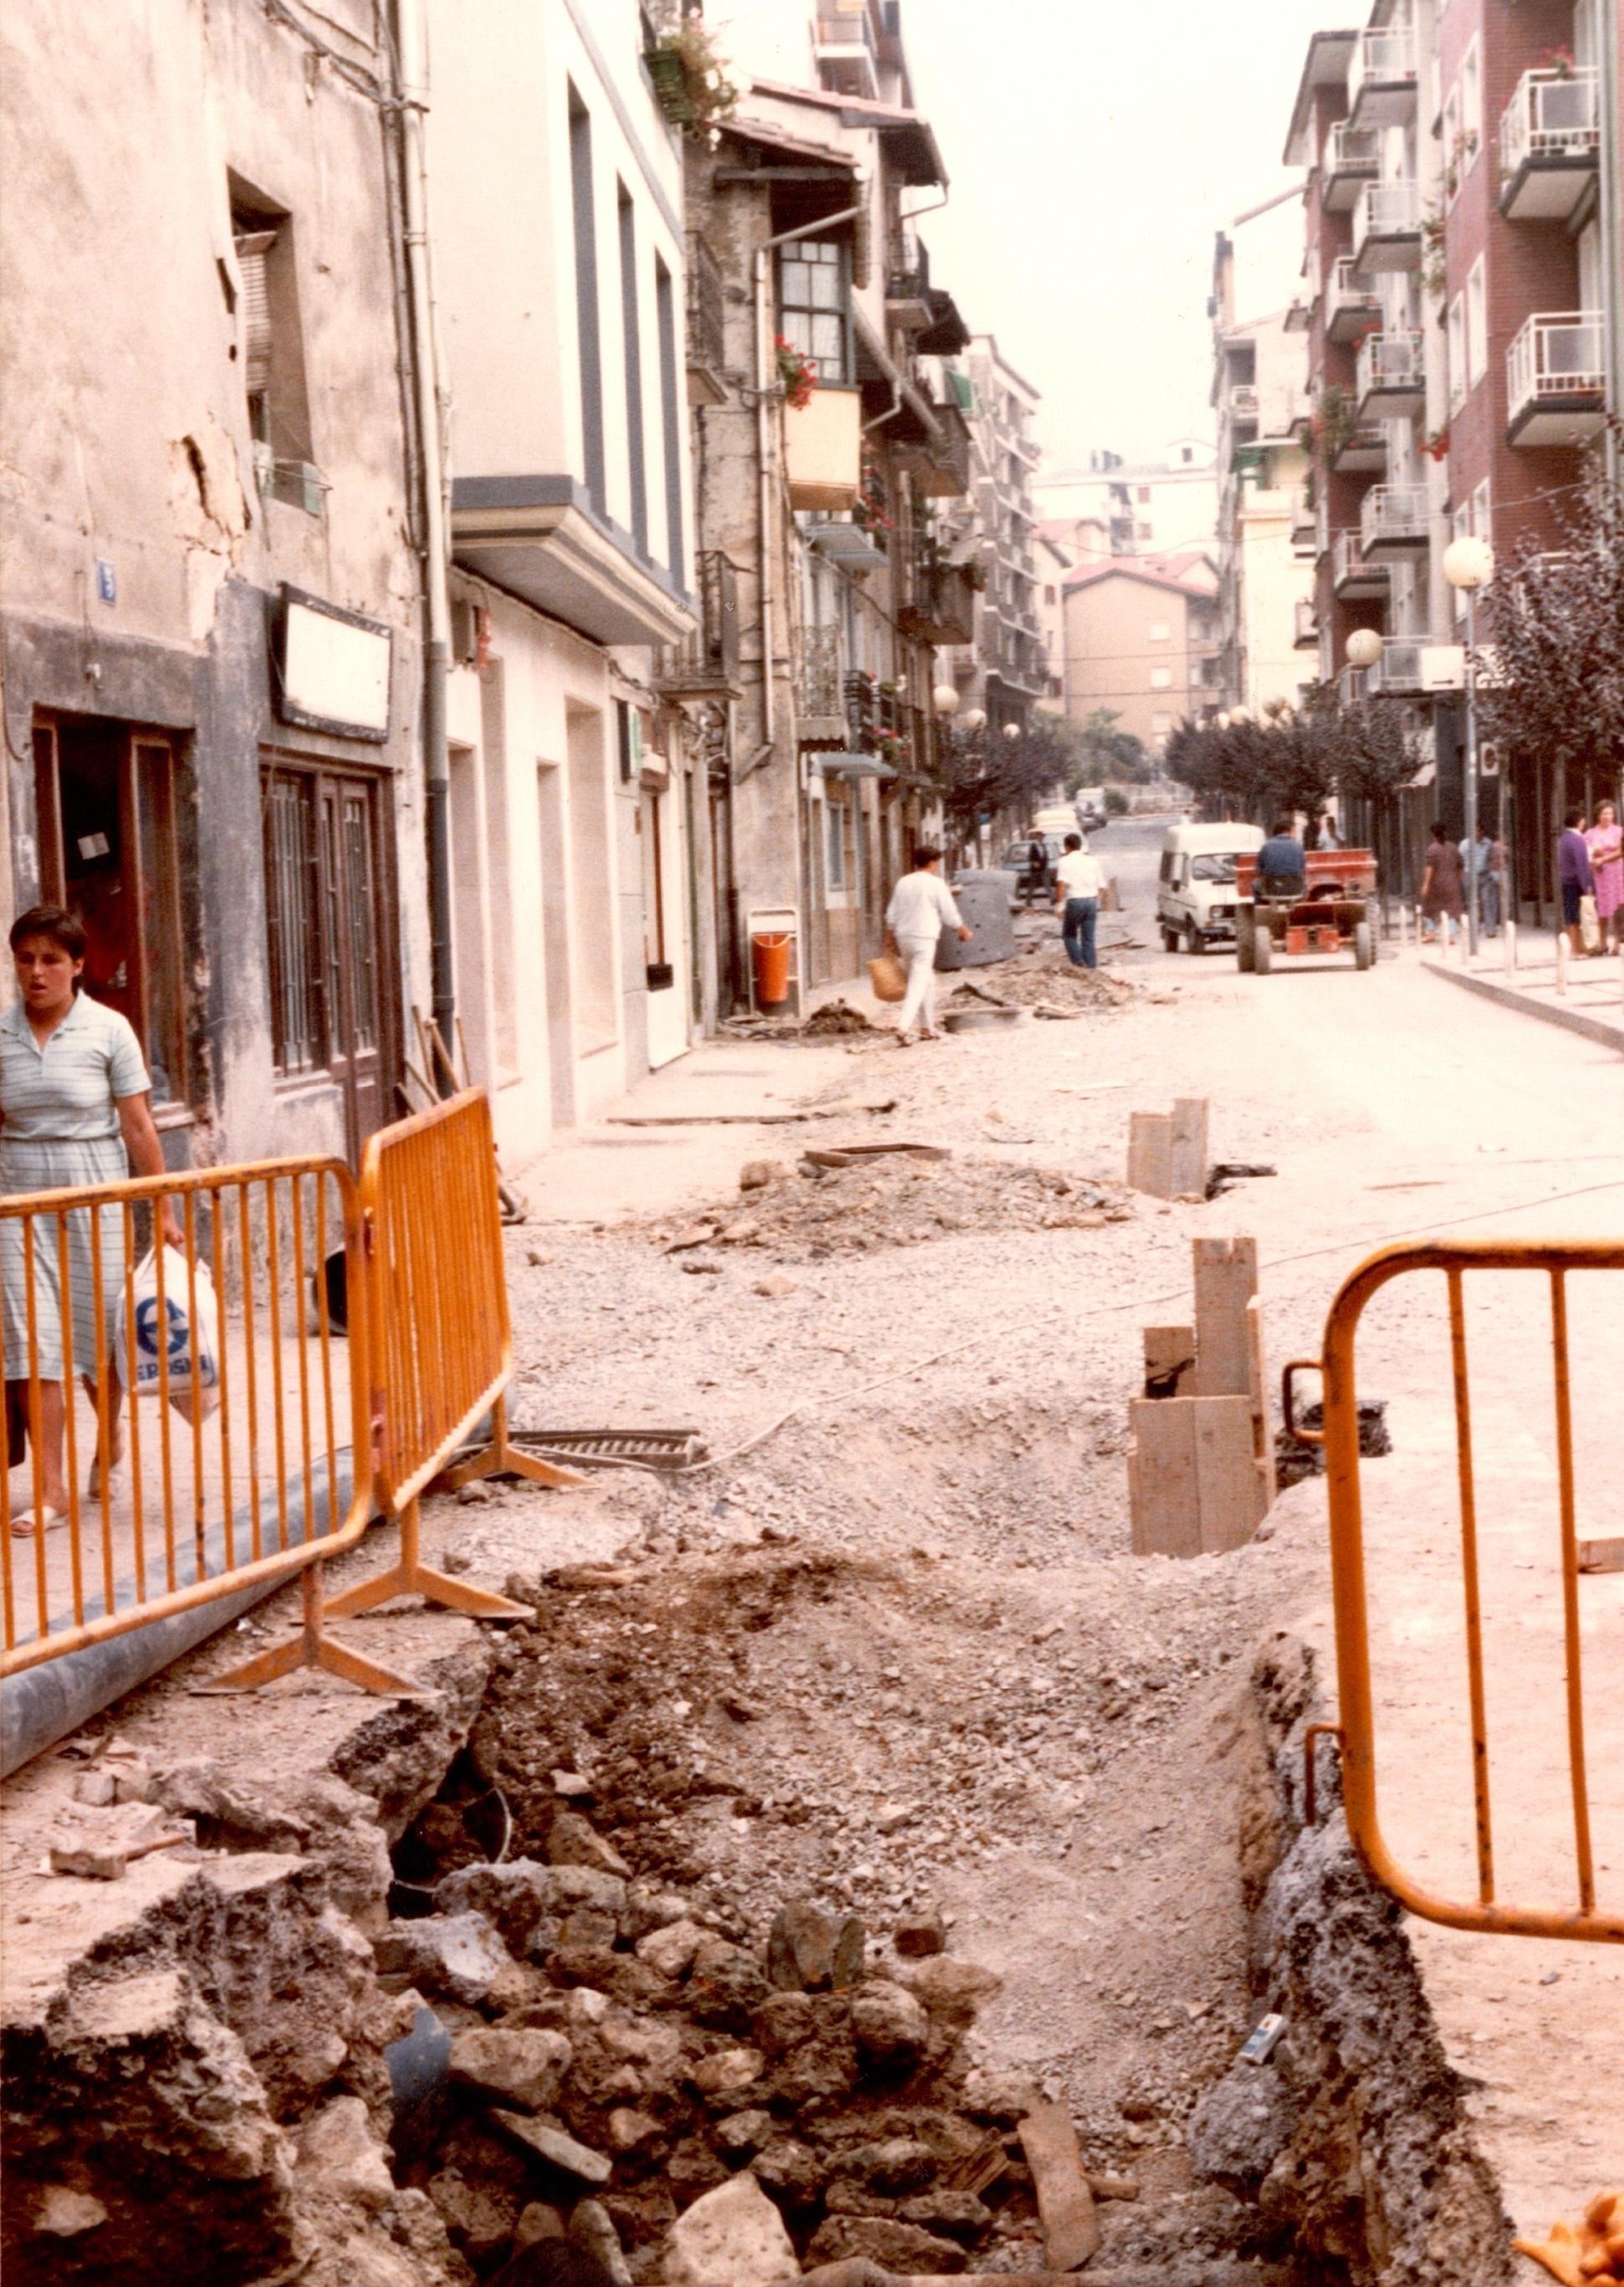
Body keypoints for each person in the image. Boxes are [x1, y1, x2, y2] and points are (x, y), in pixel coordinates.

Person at [1, 907, 181, 1537]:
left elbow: (136, 1123)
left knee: (99, 1338)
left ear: (78, 966)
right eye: (25, 959)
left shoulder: (110, 1030)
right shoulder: (0, 1034)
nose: (37, 973)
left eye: (51, 960)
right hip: (19, 1203)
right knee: (33, 1343)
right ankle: (51, 1490)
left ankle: (111, 1433)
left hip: (94, 1193)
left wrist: (162, 1205)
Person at [883, 847, 972, 1046]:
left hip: (903, 937)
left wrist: (889, 938)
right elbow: (949, 913)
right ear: (932, 863)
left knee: (927, 980)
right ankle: (903, 1026)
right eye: (937, 863)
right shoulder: (936, 884)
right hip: (924, 937)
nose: (937, 867)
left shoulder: (903, 882)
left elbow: (892, 913)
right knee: (918, 982)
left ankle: (927, 1027)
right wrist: (963, 930)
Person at [1051, 831, 1103, 969]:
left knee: (1069, 935)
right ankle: (1091, 965)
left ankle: (1079, 962)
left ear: (1067, 847)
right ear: (1080, 846)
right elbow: (1102, 886)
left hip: (1075, 901)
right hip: (1091, 901)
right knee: (1088, 937)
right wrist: (1093, 899)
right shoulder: (1092, 861)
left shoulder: (1064, 861)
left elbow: (1061, 885)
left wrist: (1059, 907)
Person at [1556, 807, 1595, 958]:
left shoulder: (1563, 839)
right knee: (1576, 916)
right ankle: (1575, 949)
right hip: (1576, 882)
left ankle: (1574, 947)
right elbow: (1582, 865)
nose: (1584, 822)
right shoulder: (1577, 839)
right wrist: (1587, 886)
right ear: (1579, 821)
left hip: (1566, 881)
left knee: (1570, 914)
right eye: (1583, 819)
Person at [1586, 800, 1622, 953]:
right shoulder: (1590, 833)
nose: (1607, 816)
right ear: (1598, 815)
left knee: (1617, 909)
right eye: (1604, 813)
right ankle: (1602, 941)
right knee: (1601, 908)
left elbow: (1621, 851)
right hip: (1599, 875)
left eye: (1610, 813)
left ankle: (1616, 943)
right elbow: (1586, 852)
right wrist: (1594, 853)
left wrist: (1604, 858)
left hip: (1617, 873)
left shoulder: (1619, 831)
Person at [1419, 821, 1464, 946]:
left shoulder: (1432, 848)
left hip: (1436, 885)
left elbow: (1430, 868)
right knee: (1452, 910)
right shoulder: (1453, 847)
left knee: (1428, 908)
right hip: (1452, 884)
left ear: (1433, 834)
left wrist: (1426, 885)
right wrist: (1458, 879)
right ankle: (1450, 936)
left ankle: (1430, 932)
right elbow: (1461, 864)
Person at [1254, 817, 1307, 898]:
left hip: (1272, 888)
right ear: (1290, 830)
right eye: (1294, 831)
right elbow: (1302, 869)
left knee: (1255, 884)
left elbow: (1259, 869)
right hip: (1294, 889)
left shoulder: (1267, 846)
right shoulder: (1298, 846)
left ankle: (1260, 908)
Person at [1458, 826, 1494, 936]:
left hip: (1484, 875)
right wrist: (1462, 876)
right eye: (1475, 831)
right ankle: (1474, 928)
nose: (1477, 833)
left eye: (1479, 830)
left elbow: (1490, 858)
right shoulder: (1465, 844)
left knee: (1487, 901)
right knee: (1471, 902)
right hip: (1470, 875)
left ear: (1483, 831)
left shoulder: (1488, 843)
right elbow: (1460, 860)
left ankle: (1490, 929)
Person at [1025, 832, 1048, 908]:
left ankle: (1053, 900)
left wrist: (1046, 866)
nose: (1042, 838)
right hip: (1035, 869)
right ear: (1037, 836)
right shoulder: (1033, 845)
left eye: (1043, 837)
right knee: (1032, 885)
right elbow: (1030, 856)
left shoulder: (1043, 845)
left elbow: (1045, 857)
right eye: (1041, 836)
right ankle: (1028, 902)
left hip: (1043, 868)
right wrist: (1033, 862)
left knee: (1047, 884)